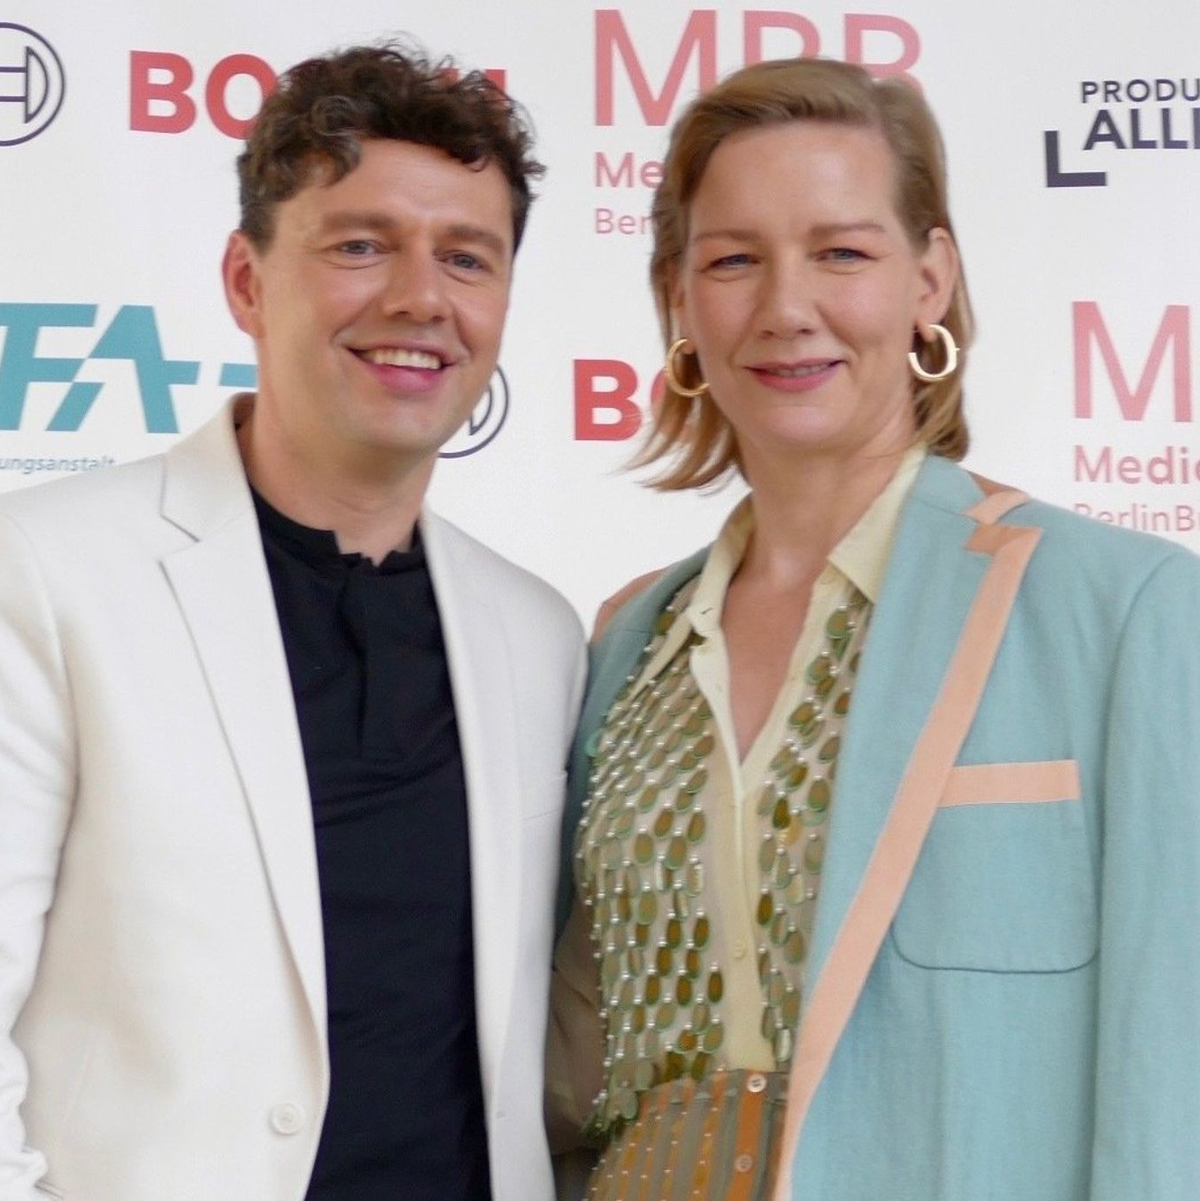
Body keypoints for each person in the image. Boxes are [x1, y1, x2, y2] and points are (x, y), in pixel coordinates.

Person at [548, 56, 1200, 1200]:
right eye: (733, 259)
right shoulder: (625, 642)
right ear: (680, 300)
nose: (786, 306)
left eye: (841, 252)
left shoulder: (1125, 610)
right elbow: (569, 1057)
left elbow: (1173, 1074)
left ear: (930, 278)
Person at [0, 44, 584, 1201]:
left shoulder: (541, 634)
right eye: (361, 244)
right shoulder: (45, 573)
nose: (421, 296)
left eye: (466, 257)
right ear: (247, 280)